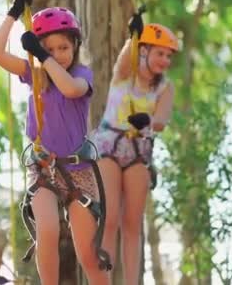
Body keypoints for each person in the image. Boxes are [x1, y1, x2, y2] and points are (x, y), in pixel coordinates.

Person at [0, 0, 110, 285]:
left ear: (75, 47)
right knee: (47, 232)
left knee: (88, 255)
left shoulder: (83, 76)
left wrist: (41, 53)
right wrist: (13, 14)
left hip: (79, 171)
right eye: (50, 48)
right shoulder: (35, 75)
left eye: (63, 48)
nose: (57, 54)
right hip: (43, 168)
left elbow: (69, 88)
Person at [90, 15, 179, 284]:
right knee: (109, 218)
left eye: (169, 56)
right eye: (160, 53)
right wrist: (134, 35)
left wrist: (149, 121)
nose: (165, 60)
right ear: (145, 50)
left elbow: (161, 120)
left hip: (138, 149)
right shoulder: (125, 73)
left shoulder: (165, 87)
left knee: (132, 224)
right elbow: (124, 60)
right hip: (108, 144)